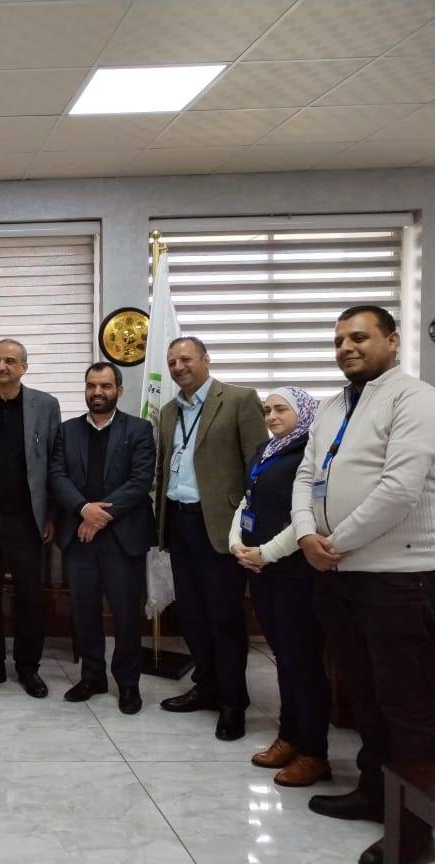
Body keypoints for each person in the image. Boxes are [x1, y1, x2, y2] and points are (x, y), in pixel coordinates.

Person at [292, 306, 435, 864]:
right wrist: (306, 534)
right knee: (363, 696)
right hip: (338, 576)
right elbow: (306, 474)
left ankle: (412, 833)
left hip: (397, 579)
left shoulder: (415, 399)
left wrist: (335, 541)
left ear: (392, 341)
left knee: (407, 707)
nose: (346, 348)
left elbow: (400, 489)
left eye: (359, 337)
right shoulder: (332, 407)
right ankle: (375, 792)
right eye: (339, 341)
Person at [154, 336, 267, 741]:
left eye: (185, 359)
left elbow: (258, 467)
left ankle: (233, 702)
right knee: (191, 616)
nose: (178, 367)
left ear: (205, 359)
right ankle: (206, 687)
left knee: (224, 618)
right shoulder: (169, 411)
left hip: (221, 526)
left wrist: (252, 529)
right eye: (172, 362)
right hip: (179, 523)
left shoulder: (238, 400)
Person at [228, 386, 331, 787]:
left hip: (294, 572)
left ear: (302, 412)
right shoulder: (266, 450)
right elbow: (247, 501)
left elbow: (308, 515)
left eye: (280, 409)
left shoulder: (311, 453)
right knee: (284, 658)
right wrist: (236, 542)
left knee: (303, 662)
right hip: (262, 571)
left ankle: (314, 753)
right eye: (267, 410)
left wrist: (266, 553)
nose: (271, 416)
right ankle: (290, 737)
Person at [50, 362, 155, 714]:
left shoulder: (139, 429)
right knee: (84, 612)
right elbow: (57, 476)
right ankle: (92, 676)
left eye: (105, 386)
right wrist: (83, 509)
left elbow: (140, 481)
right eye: (91, 385)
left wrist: (98, 518)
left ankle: (128, 683)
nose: (98, 392)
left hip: (122, 538)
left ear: (119, 390)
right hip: (79, 537)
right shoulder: (66, 431)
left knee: (125, 614)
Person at [0, 338, 60, 697]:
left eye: (9, 361)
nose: (0, 366)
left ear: (24, 367)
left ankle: (28, 667)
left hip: (27, 520)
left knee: (29, 597)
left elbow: (54, 463)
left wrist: (50, 513)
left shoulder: (46, 405)